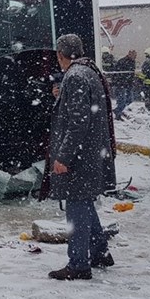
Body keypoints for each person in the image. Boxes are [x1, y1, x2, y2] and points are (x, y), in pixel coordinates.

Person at [47, 34, 117, 281]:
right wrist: (61, 97)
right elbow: (83, 111)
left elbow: (78, 122)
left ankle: (78, 264)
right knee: (85, 202)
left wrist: (63, 157)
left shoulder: (75, 76)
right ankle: (99, 252)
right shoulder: (89, 71)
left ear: (60, 54)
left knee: (76, 205)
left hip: (80, 156)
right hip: (92, 152)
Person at [111, 50, 137, 120]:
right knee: (122, 101)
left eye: (135, 56)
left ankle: (117, 110)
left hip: (128, 84)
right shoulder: (122, 61)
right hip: (120, 84)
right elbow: (117, 73)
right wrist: (120, 81)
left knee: (130, 99)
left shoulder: (132, 62)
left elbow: (131, 73)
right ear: (129, 54)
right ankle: (118, 114)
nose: (135, 57)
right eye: (134, 55)